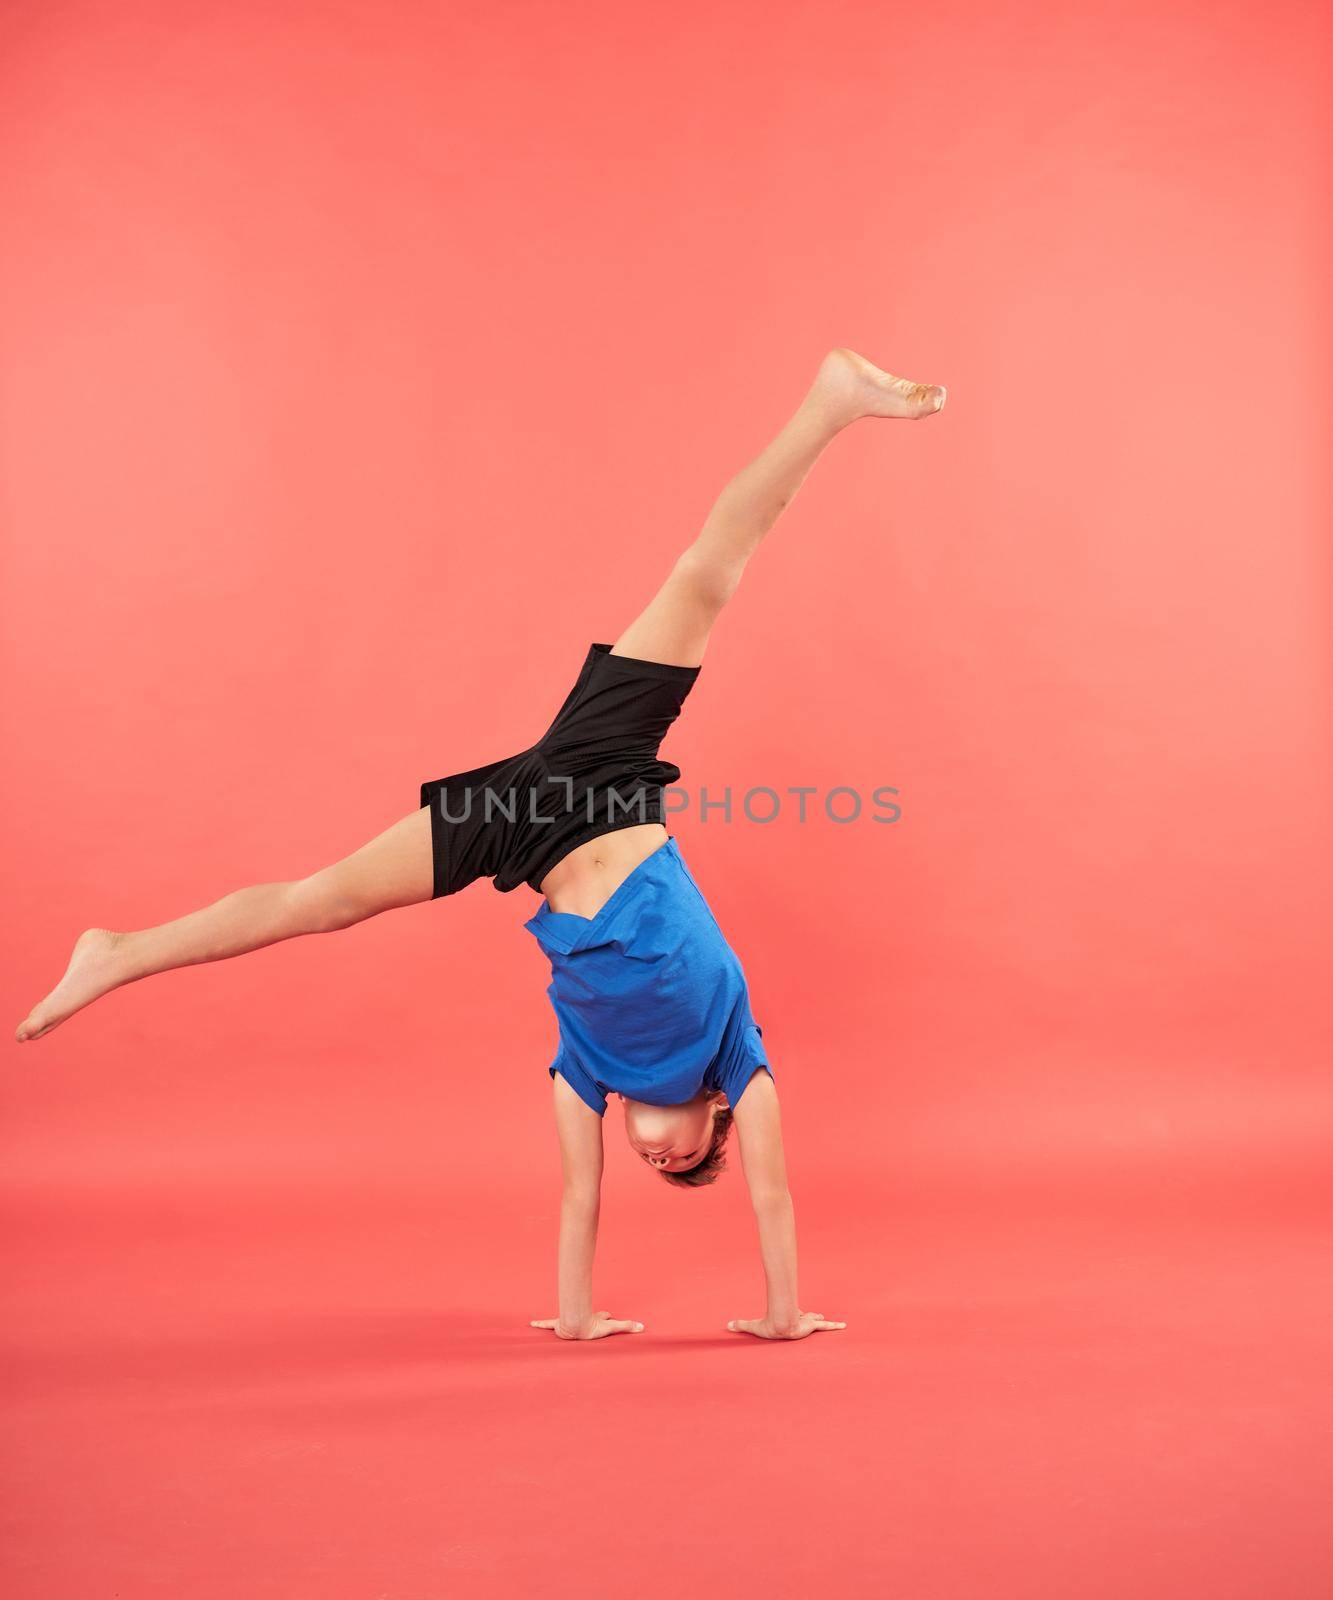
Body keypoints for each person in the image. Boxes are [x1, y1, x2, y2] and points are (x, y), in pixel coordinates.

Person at [15, 347, 945, 1340]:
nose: (661, 1157)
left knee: (318, 902)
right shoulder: (736, 1056)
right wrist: (780, 1313)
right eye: (685, 1159)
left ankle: (119, 950)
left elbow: (577, 1200)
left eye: (655, 1166)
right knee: (704, 579)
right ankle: (831, 403)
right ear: (717, 1118)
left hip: (519, 822)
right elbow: (771, 1198)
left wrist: (576, 1317)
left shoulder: (586, 1070)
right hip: (608, 775)